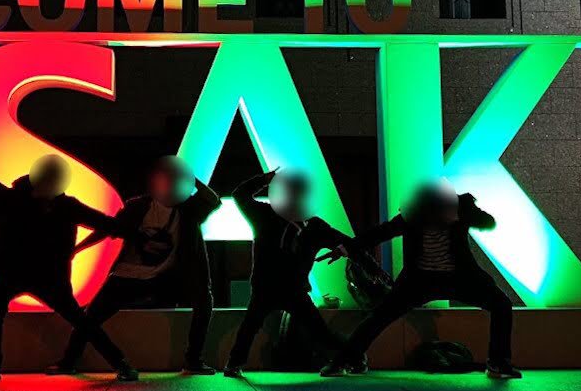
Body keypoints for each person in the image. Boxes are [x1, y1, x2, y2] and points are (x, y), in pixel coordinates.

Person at [317, 179, 520, 379]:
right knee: (379, 316)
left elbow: (488, 222)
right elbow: (379, 233)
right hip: (420, 281)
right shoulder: (413, 215)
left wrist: (466, 213)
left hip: (459, 278)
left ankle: (498, 362)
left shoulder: (462, 207)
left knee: (501, 304)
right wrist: (344, 249)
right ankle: (344, 360)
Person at [49, 156, 222, 375]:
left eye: (174, 180)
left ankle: (193, 360)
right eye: (166, 179)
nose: (169, 185)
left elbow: (213, 200)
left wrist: (189, 178)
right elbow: (108, 228)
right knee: (90, 316)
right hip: (129, 275)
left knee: (204, 300)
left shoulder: (189, 209)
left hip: (169, 276)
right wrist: (78, 248)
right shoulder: (137, 206)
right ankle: (69, 361)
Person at [0, 155, 139, 385]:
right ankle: (121, 363)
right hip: (25, 273)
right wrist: (132, 230)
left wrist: (132, 229)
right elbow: (105, 223)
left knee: (78, 320)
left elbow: (105, 223)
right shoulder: (22, 198)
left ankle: (121, 363)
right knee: (78, 320)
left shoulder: (52, 203)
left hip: (37, 275)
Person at [221, 168, 355, 378]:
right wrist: (265, 180)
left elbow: (240, 195)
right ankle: (234, 363)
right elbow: (240, 195)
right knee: (254, 326)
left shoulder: (298, 222)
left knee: (256, 327)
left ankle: (354, 357)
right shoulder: (284, 218)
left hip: (285, 289)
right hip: (275, 288)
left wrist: (265, 180)